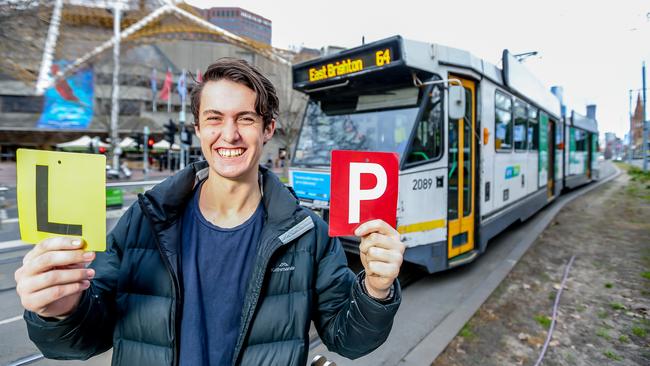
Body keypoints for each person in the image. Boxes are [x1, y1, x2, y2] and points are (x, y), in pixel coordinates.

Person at [15, 58, 405, 365]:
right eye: (214, 119)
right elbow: (81, 342)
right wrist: (60, 310)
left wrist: (375, 290)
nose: (229, 134)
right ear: (198, 129)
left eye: (245, 119)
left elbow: (348, 341)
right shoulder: (144, 221)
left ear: (268, 128)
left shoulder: (307, 233)